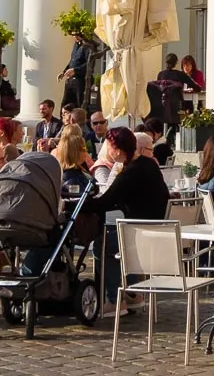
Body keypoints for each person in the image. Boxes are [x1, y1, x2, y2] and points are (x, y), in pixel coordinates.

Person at [85, 127, 171, 305]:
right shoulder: (148, 164)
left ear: (117, 150)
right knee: (117, 239)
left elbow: (105, 202)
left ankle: (113, 300)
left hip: (141, 232)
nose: (107, 151)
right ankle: (134, 293)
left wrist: (77, 204)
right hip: (157, 228)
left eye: (108, 147)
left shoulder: (130, 172)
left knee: (104, 245)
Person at [59, 33, 92, 111]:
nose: (75, 37)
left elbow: (89, 63)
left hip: (80, 81)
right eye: (73, 35)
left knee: (80, 104)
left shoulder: (88, 46)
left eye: (77, 35)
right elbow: (72, 61)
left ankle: (81, 122)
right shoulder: (76, 45)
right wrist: (64, 72)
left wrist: (75, 70)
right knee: (65, 104)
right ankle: (64, 121)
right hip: (70, 81)